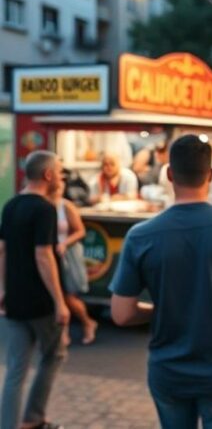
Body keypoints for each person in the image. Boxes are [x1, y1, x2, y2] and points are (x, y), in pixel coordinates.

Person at [109, 135, 212, 428]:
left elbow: (122, 314)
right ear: (211, 175)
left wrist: (157, 310)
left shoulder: (141, 235)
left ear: (170, 175)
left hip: (169, 370)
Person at [0, 150, 69, 429]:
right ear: (48, 175)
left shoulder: (11, 205)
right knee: (55, 353)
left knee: (16, 369)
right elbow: (44, 256)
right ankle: (33, 418)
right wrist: (59, 302)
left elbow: (2, 250)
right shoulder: (44, 209)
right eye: (60, 172)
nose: (62, 177)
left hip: (15, 299)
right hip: (41, 301)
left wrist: (2, 289)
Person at [53, 184, 98, 346]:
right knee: (56, 296)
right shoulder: (43, 205)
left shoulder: (66, 206)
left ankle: (87, 322)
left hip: (68, 256)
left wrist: (64, 243)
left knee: (68, 297)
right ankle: (63, 334)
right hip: (51, 256)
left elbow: (80, 231)